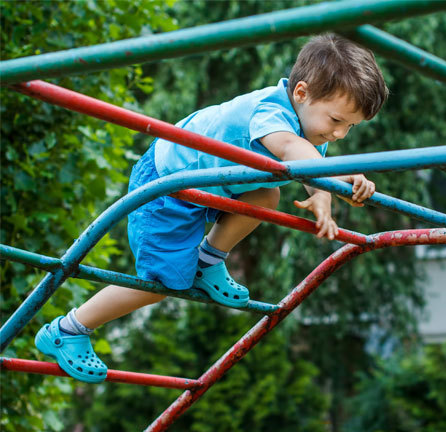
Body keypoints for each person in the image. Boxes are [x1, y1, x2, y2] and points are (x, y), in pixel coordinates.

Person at [34, 33, 388, 383]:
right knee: (160, 284)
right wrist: (325, 193)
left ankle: (207, 264)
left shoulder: (311, 131)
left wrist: (348, 183)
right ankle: (68, 328)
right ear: (301, 93)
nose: (340, 134)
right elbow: (295, 154)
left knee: (267, 196)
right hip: (166, 184)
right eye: (336, 121)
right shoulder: (271, 113)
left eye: (351, 127)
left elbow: (313, 166)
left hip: (207, 185)